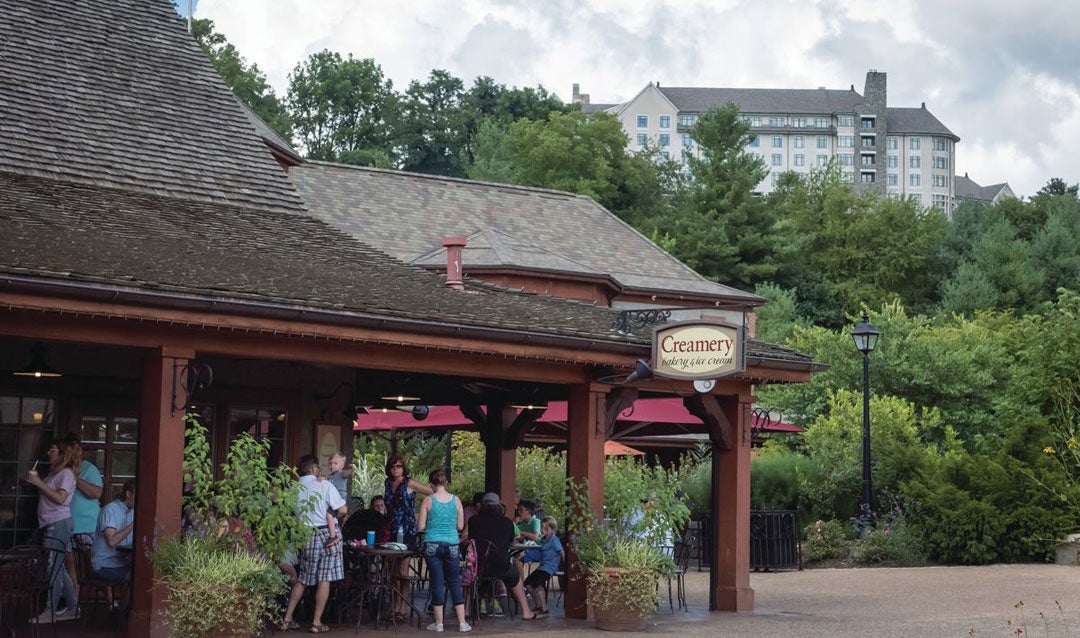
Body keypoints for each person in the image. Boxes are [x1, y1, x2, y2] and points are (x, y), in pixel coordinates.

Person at [282, 455, 347, 634]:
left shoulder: (293, 489)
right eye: (317, 467)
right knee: (324, 579)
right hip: (326, 532)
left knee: (303, 578)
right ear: (313, 469)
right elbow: (342, 509)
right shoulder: (323, 485)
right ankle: (316, 622)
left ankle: (287, 618)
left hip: (306, 535)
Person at [26, 440, 80, 623]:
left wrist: (38, 482)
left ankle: (50, 611)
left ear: (62, 454)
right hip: (53, 524)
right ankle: (73, 608)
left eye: (53, 449)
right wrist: (34, 482)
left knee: (53, 568)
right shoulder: (55, 473)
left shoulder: (66, 473)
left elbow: (60, 498)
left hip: (58, 524)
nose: (49, 452)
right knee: (58, 568)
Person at [467, 493, 537, 621]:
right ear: (499, 506)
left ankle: (467, 609)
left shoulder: (473, 521)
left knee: (475, 577)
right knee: (515, 577)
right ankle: (526, 611)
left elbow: (472, 540)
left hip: (480, 566)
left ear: (482, 505)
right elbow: (511, 542)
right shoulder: (507, 523)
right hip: (501, 565)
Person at [417, 470, 471, 633]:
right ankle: (462, 623)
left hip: (432, 544)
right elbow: (460, 526)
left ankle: (439, 623)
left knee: (437, 582)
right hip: (452, 544)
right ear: (446, 483)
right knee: (454, 581)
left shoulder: (428, 500)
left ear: (431, 484)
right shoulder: (456, 500)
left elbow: (421, 527)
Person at [383, 455, 432, 619]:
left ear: (403, 468)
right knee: (392, 569)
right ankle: (394, 604)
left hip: (407, 528)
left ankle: (402, 607)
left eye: (398, 466)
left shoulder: (409, 483)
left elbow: (431, 492)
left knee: (403, 570)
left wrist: (422, 514)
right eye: (393, 466)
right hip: (391, 527)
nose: (395, 469)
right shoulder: (387, 483)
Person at [64, 435, 103, 603]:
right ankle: (74, 602)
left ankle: (104, 601)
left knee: (90, 564)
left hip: (87, 524)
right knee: (70, 564)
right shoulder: (61, 469)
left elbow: (96, 493)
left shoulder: (89, 469)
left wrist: (76, 478)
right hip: (66, 523)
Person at [91, 480, 135, 609]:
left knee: (144, 573)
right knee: (135, 577)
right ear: (128, 494)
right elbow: (112, 541)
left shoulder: (132, 511)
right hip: (104, 564)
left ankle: (121, 614)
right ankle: (121, 617)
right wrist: (134, 524)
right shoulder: (110, 510)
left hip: (121, 561)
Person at [522, 517, 563, 618]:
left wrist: (563, 566)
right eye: (542, 528)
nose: (542, 530)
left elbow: (561, 552)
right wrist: (525, 558)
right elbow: (539, 553)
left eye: (545, 528)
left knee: (536, 584)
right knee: (527, 583)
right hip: (542, 567)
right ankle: (538, 605)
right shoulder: (543, 540)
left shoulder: (554, 540)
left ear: (552, 529)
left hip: (549, 568)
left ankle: (545, 609)